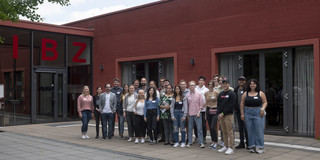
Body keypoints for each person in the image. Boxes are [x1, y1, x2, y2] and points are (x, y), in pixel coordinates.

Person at [240, 79, 268, 154]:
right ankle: (252, 146)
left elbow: (265, 102)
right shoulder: (245, 93)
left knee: (259, 130)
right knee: (250, 130)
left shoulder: (260, 93)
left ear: (256, 85)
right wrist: (242, 114)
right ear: (249, 85)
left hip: (258, 112)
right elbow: (242, 104)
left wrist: (262, 109)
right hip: (247, 112)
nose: (252, 85)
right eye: (251, 84)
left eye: (254, 84)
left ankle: (260, 147)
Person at [217, 78, 236, 155]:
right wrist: (219, 113)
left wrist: (223, 113)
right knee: (224, 131)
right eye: (223, 83)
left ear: (229, 84)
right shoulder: (220, 94)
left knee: (230, 131)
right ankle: (225, 146)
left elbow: (231, 106)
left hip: (228, 115)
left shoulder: (232, 93)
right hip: (221, 115)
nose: (225, 85)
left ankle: (231, 147)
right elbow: (218, 105)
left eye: (226, 83)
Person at [186, 81, 205, 148]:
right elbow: (187, 106)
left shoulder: (199, 94)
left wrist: (199, 112)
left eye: (193, 85)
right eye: (190, 85)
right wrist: (187, 114)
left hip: (197, 114)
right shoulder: (187, 95)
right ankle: (189, 142)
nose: (192, 86)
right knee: (190, 129)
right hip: (190, 115)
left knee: (199, 129)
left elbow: (201, 105)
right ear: (189, 87)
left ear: (195, 86)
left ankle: (201, 142)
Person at [234, 76, 249, 149]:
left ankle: (248, 143)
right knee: (240, 128)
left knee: (247, 128)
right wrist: (235, 109)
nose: (241, 81)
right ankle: (241, 143)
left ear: (245, 82)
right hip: (238, 112)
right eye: (240, 80)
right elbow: (234, 101)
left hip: (246, 112)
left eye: (243, 80)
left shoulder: (248, 90)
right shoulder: (235, 90)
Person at [204, 80, 219, 149]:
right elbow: (206, 103)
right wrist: (205, 114)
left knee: (213, 127)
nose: (210, 85)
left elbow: (219, 102)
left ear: (213, 85)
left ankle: (216, 141)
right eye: (209, 84)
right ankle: (213, 141)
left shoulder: (216, 92)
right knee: (210, 127)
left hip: (215, 110)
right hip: (208, 110)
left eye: (211, 84)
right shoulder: (206, 93)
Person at [195, 76, 209, 144]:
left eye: (202, 80)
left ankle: (204, 138)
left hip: (203, 110)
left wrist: (202, 105)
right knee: (196, 124)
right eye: (200, 80)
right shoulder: (195, 88)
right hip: (195, 110)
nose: (201, 81)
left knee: (203, 124)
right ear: (198, 81)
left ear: (204, 82)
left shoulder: (206, 89)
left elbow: (207, 99)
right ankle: (197, 137)